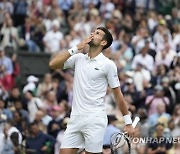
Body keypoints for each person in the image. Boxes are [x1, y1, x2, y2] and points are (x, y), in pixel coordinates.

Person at [49, 27, 135, 154]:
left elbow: (118, 95)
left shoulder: (108, 64)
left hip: (95, 119)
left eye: (98, 33)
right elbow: (53, 64)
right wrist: (76, 48)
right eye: (94, 32)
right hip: (75, 119)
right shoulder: (78, 58)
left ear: (103, 43)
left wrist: (128, 122)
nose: (93, 34)